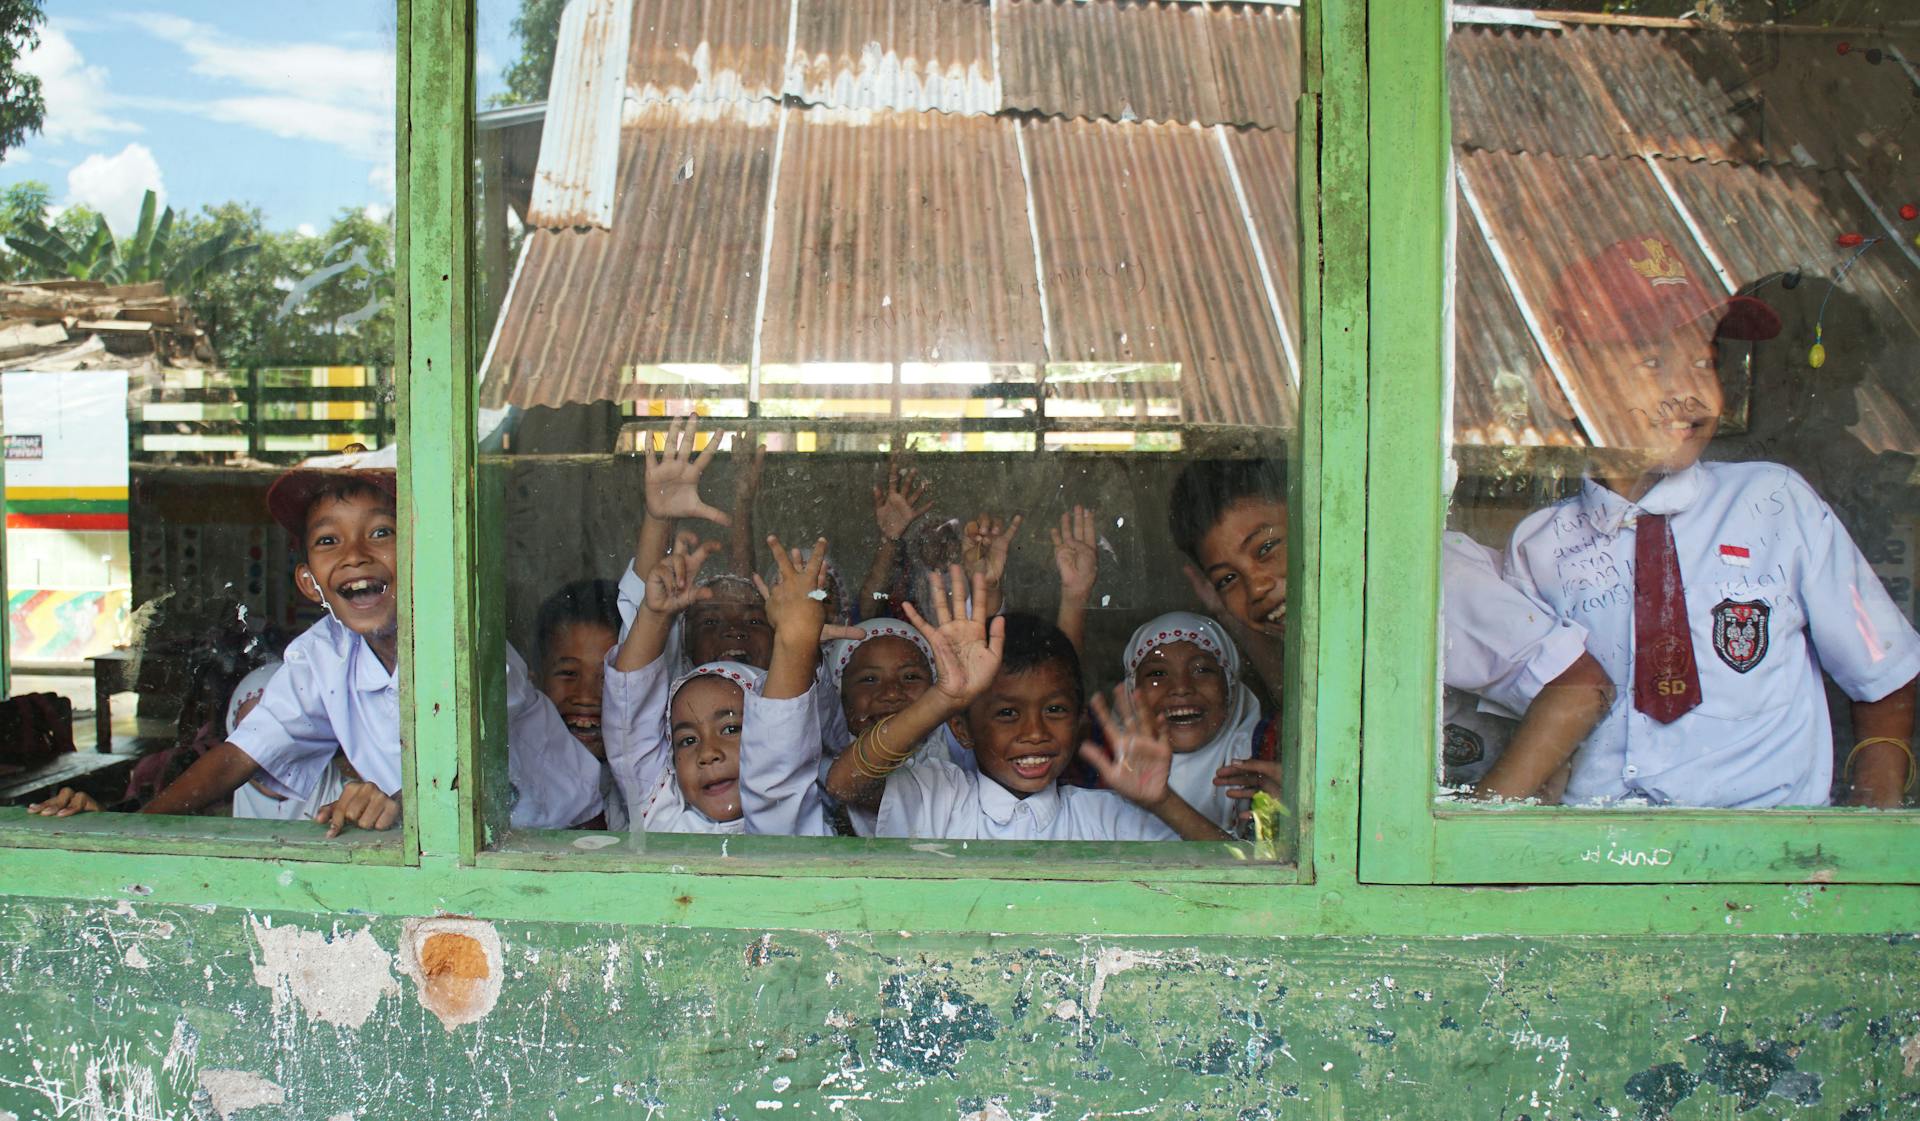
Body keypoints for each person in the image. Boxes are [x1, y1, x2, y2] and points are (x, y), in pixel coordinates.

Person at [1505, 236, 1920, 808]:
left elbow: (1885, 672)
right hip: (1598, 860)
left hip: (1771, 860)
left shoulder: (1775, 503)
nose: (1690, 390)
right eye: (1653, 361)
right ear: (1559, 384)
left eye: (1705, 360)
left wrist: (1872, 814)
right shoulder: (1538, 548)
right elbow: (1532, 732)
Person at [29, 445, 605, 834]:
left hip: (562, 836)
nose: (356, 553)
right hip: (444, 840)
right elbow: (236, 756)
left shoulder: (469, 651)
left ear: (425, 555)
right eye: (329, 541)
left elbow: (481, 783)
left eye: (382, 532)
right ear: (311, 583)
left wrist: (399, 806)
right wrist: (134, 831)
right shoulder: (323, 655)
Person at [1168, 457, 1613, 801]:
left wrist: (1470, 837)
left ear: (1324, 515)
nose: (1258, 585)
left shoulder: (1422, 585)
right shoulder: (1330, 616)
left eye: (1266, 547)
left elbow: (1579, 687)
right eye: (1228, 579)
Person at [824, 570, 1230, 842]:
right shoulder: (937, 797)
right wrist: (944, 699)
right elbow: (845, 783)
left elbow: (1235, 877)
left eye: (1054, 710)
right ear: (962, 729)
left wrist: (1162, 802)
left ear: (1080, 719)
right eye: (1006, 713)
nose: (1034, 732)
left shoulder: (1106, 816)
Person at [602, 533, 830, 834]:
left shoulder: (786, 819)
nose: (708, 753)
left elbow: (776, 770)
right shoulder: (661, 815)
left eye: (731, 729)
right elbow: (630, 723)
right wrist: (654, 616)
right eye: (687, 740)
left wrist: (797, 636)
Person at [1122, 612, 1276, 831]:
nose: (1182, 687)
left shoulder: (1264, 762)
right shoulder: (1106, 768)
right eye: (1157, 673)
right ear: (1131, 691)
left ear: (1230, 686)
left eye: (1202, 670)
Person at [532, 578, 628, 828]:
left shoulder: (648, 786)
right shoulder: (522, 776)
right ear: (536, 679)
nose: (586, 695)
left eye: (607, 676)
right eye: (568, 673)